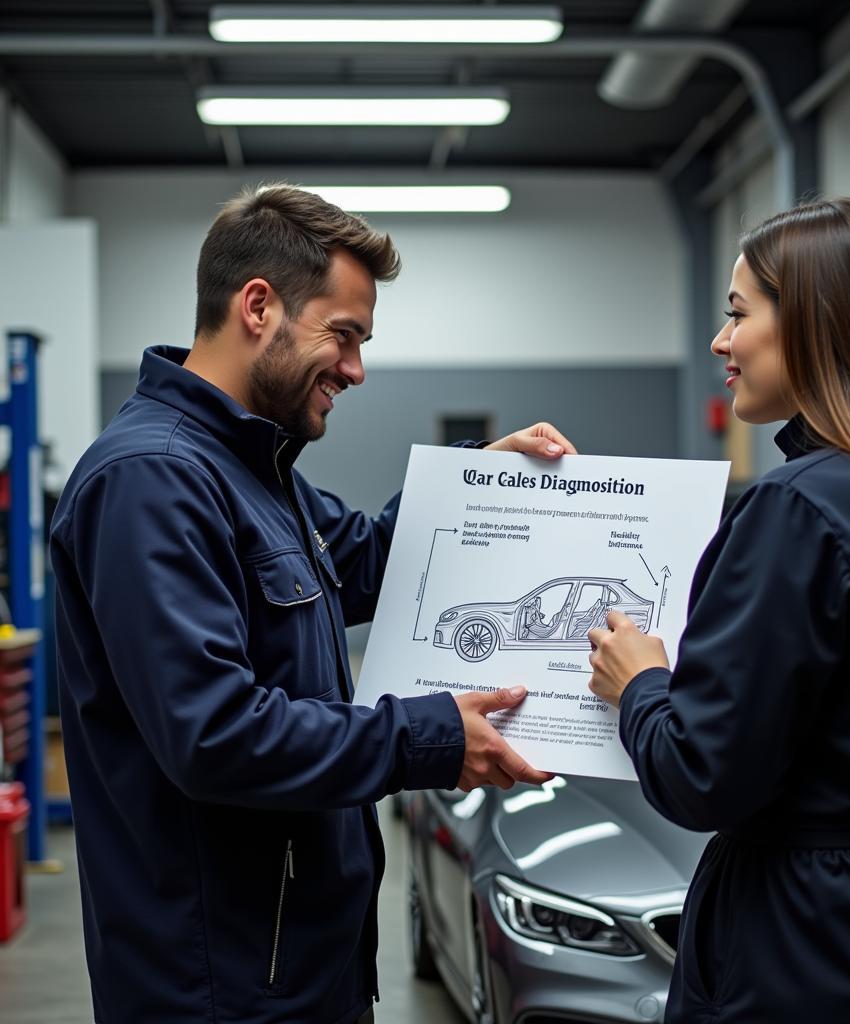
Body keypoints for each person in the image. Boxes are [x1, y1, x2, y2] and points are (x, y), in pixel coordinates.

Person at [51, 184, 574, 1024]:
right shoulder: (152, 479)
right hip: (218, 986)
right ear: (258, 306)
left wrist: (481, 485)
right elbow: (213, 734)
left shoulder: (256, 472)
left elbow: (366, 558)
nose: (356, 369)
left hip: (298, 963)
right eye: (345, 335)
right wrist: (429, 735)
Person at [588, 197, 850, 1023]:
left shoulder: (795, 511)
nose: (720, 342)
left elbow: (702, 778)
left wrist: (640, 685)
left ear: (819, 325)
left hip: (808, 950)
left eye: (737, 313)